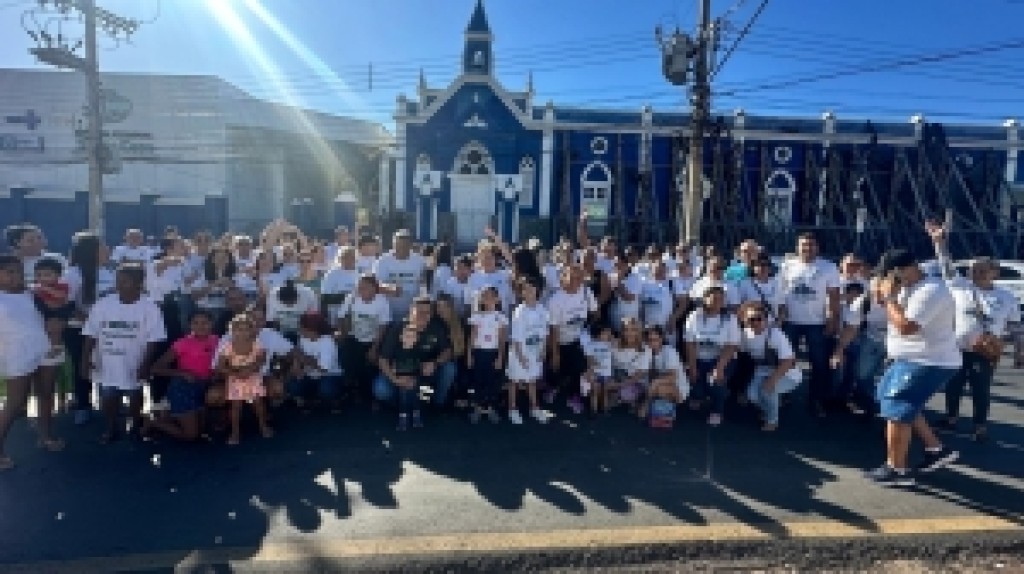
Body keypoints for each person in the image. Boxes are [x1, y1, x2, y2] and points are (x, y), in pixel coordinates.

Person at [866, 237, 960, 487]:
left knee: (897, 408)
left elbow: (907, 327)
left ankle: (897, 469)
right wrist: (883, 294)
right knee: (893, 401)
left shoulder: (931, 291)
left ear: (905, 269)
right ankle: (936, 449)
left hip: (927, 359)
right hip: (907, 358)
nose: (888, 279)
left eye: (890, 274)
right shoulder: (906, 287)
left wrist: (890, 299)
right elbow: (881, 304)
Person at [931, 228, 1019, 442]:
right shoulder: (959, 286)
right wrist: (939, 242)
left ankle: (980, 425)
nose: (975, 273)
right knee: (953, 385)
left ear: (994, 273)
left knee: (981, 389)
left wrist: (1019, 349)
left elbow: (1016, 326)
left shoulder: (1006, 297)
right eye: (973, 270)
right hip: (957, 348)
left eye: (981, 270)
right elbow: (946, 265)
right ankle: (951, 417)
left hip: (984, 351)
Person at [81, 263, 167, 443]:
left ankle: (135, 425)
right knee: (108, 396)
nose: (119, 285)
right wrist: (85, 359)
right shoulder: (103, 304)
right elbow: (90, 333)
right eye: (118, 281)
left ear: (139, 284)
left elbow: (154, 339)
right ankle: (111, 427)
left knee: (135, 395)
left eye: (125, 281)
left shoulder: (150, 307)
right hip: (107, 362)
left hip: (134, 362)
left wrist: (145, 364)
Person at [0, 254, 64, 471]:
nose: (16, 276)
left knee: (46, 394)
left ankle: (45, 436)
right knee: (15, 402)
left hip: (45, 347)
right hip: (16, 353)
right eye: (9, 272)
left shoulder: (34, 293)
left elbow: (57, 309)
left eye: (19, 271)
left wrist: (57, 324)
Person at [144, 310, 219, 442]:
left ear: (212, 324)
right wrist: (182, 373)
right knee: (191, 435)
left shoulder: (217, 340)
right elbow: (156, 368)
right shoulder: (182, 343)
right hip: (183, 389)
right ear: (190, 325)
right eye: (196, 323)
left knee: (203, 430)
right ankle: (152, 421)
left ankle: (167, 415)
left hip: (204, 388)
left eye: (205, 323)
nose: (200, 326)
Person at [738, 302, 801, 431]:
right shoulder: (744, 335)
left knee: (767, 390)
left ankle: (772, 420)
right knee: (752, 396)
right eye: (751, 319)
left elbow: (788, 361)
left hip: (787, 373)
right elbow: (739, 352)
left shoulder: (775, 334)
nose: (756, 322)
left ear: (766, 320)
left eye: (759, 319)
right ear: (744, 320)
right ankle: (769, 408)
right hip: (762, 370)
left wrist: (772, 380)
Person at [684, 285, 741, 426]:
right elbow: (690, 343)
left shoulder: (730, 318)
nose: (718, 301)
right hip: (699, 358)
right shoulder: (694, 316)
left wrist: (719, 368)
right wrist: (692, 367)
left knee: (716, 382)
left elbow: (732, 345)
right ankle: (698, 395)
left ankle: (717, 410)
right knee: (695, 383)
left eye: (721, 299)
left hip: (721, 359)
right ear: (705, 299)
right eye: (714, 298)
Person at [217, 314, 273, 445]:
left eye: (246, 329)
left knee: (258, 404)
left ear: (251, 330)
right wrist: (235, 373)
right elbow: (220, 366)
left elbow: (262, 359)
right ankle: (235, 432)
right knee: (236, 407)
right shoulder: (228, 347)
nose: (242, 333)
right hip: (235, 381)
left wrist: (250, 369)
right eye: (239, 329)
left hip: (253, 378)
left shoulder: (256, 344)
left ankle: (263, 426)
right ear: (232, 331)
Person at [505, 277, 549, 424]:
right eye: (526, 289)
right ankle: (512, 408)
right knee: (514, 381)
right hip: (520, 353)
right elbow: (516, 337)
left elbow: (544, 332)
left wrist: (543, 349)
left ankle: (534, 407)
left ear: (537, 290)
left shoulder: (542, 309)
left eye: (532, 288)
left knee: (532, 381)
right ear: (521, 292)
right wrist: (520, 356)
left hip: (535, 352)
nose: (529, 291)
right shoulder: (519, 311)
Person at [466, 286, 508, 423]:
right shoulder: (477, 316)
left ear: (497, 299)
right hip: (479, 353)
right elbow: (472, 336)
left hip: (493, 353)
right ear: (481, 300)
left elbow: (502, 339)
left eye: (491, 296)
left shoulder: (500, 317)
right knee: (478, 381)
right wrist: (470, 354)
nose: (488, 299)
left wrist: (500, 357)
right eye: (485, 296)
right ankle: (477, 408)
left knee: (492, 382)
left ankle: (490, 408)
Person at [290, 312, 343, 411]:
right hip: (309, 374)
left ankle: (335, 400)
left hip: (329, 376)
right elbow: (298, 354)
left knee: (326, 389)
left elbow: (324, 368)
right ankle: (309, 399)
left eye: (303, 328)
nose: (300, 330)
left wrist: (305, 359)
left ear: (313, 330)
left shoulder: (327, 342)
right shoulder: (302, 338)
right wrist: (296, 367)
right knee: (294, 386)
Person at [582, 323, 615, 416]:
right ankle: (593, 410)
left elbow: (617, 344)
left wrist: (612, 338)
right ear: (598, 334)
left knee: (605, 391)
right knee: (594, 391)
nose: (607, 335)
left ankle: (605, 409)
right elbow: (589, 359)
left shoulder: (610, 345)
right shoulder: (590, 345)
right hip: (595, 372)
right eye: (605, 333)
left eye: (609, 333)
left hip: (607, 373)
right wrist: (592, 365)